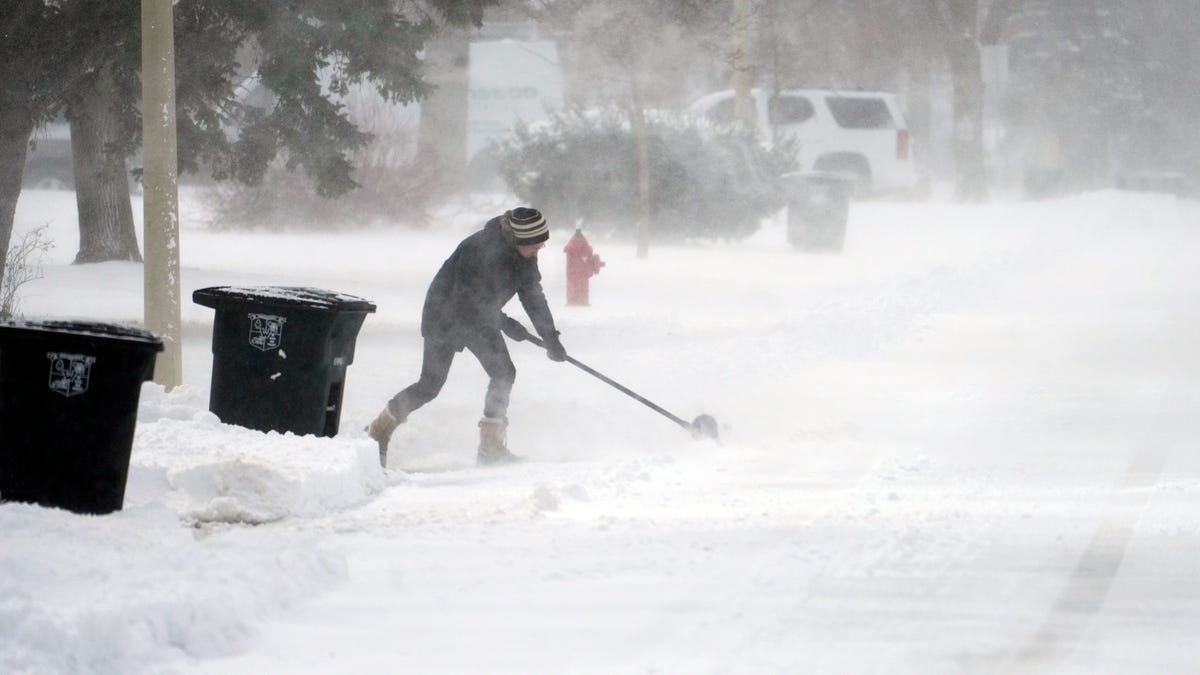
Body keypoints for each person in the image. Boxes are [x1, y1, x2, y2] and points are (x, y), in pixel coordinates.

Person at [367, 207, 567, 466]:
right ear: (518, 240)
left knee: (503, 373)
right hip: (445, 316)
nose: (538, 251)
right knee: (430, 385)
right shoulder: (479, 249)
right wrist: (506, 323)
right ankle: (378, 432)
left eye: (541, 246)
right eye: (534, 246)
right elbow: (467, 298)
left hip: (481, 320)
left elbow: (532, 295)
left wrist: (551, 338)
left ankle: (491, 448)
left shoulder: (525, 254)